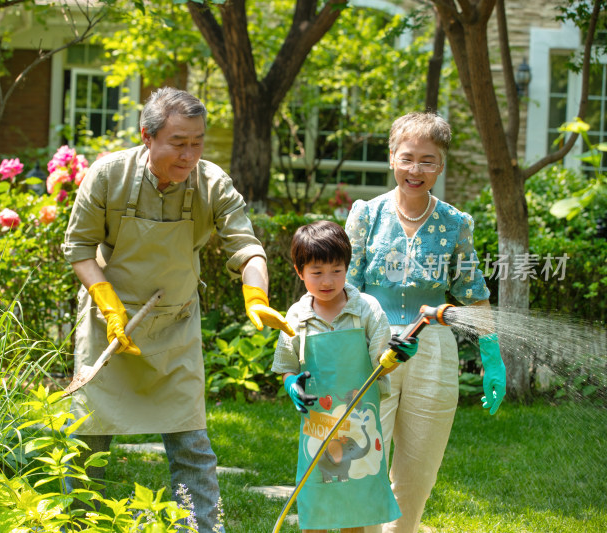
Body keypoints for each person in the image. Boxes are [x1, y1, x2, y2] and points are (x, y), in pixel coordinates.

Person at [61, 86, 295, 532]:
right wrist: (109, 306)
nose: (190, 155)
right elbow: (78, 250)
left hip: (175, 326)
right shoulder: (108, 175)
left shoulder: (212, 183)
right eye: (179, 142)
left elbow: (248, 248)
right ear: (147, 137)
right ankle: (78, 526)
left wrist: (256, 296)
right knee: (88, 441)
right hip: (109, 325)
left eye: (198, 142)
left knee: (192, 444)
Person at [344, 111, 507, 533]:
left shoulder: (455, 223)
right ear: (393, 158)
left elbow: (474, 294)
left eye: (428, 160)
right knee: (358, 464)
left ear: (441, 164)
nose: (416, 170)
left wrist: (492, 357)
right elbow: (345, 289)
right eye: (408, 157)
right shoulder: (366, 215)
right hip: (370, 347)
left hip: (432, 350)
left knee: (417, 475)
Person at [272, 220, 419, 533]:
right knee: (317, 502)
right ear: (300, 272)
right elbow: (287, 365)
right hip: (317, 426)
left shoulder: (366, 309)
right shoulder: (297, 317)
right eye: (317, 272)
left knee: (355, 507)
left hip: (359, 420)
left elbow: (382, 362)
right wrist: (291, 385)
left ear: (348, 268)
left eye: (337, 270)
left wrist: (399, 353)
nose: (328, 280)